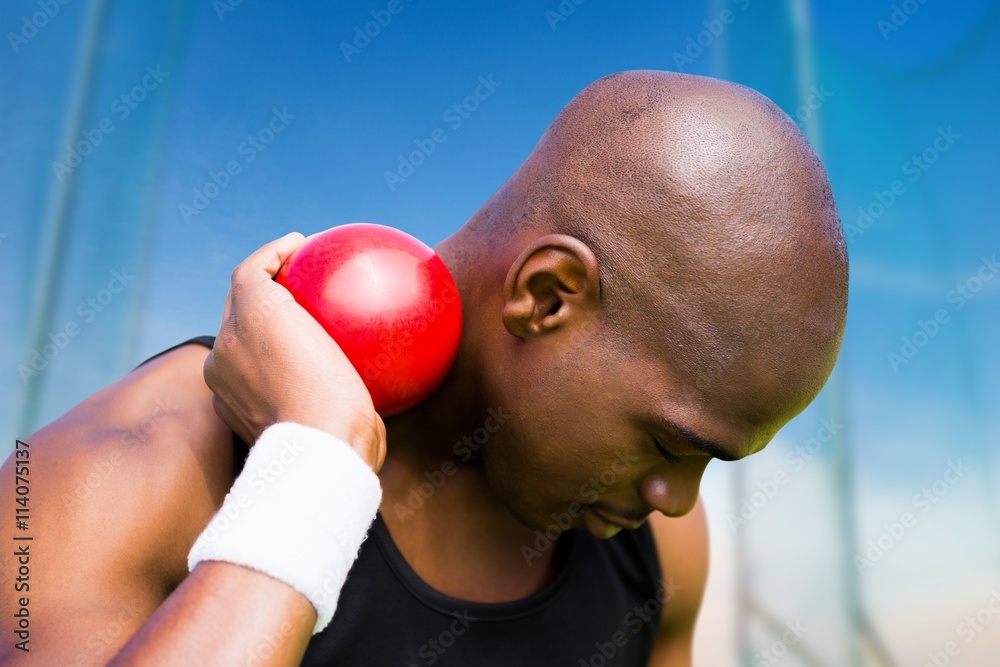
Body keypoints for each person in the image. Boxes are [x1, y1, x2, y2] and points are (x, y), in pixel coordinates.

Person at [0, 70, 848, 666]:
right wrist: (310, 482)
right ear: (548, 297)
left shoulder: (659, 556)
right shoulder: (122, 469)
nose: (679, 498)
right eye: (669, 443)